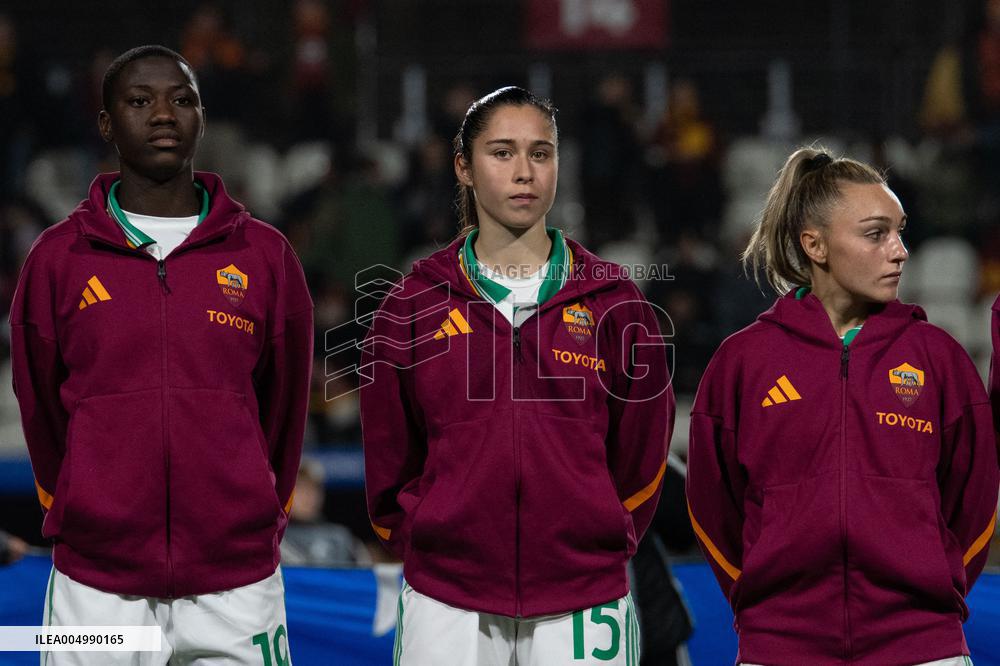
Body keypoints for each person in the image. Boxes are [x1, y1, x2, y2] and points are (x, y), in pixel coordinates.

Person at [9, 45, 313, 664]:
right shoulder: (56, 259)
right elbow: (39, 404)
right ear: (106, 124)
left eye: (182, 99)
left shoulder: (264, 255)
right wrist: (83, 500)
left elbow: (285, 405)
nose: (164, 114)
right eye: (140, 101)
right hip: (96, 585)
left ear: (202, 117)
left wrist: (253, 509)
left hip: (236, 582)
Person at [360, 86, 674, 665]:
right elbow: (388, 451)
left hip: (584, 593)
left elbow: (642, 451)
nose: (524, 172)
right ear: (464, 168)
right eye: (502, 153)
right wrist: (426, 536)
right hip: (445, 595)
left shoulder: (616, 302)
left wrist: (597, 529)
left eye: (541, 153)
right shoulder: (411, 304)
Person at [686, 147, 1000, 665]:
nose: (900, 251)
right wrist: (767, 607)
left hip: (922, 646)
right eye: (876, 234)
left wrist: (935, 593)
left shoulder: (939, 358)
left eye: (900, 232)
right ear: (816, 245)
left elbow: (975, 501)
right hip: (780, 646)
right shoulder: (742, 362)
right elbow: (711, 505)